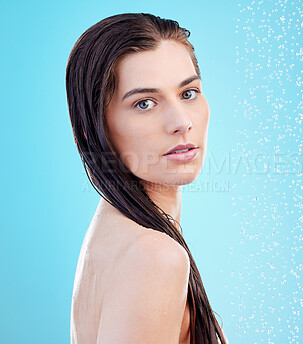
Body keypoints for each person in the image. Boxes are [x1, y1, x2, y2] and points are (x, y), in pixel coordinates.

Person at [65, 13, 229, 344]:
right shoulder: (154, 257)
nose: (181, 122)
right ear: (92, 128)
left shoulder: (114, 230)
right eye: (144, 103)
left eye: (188, 93)